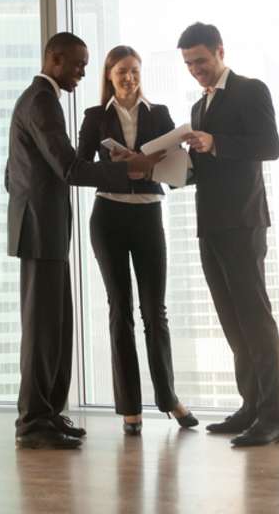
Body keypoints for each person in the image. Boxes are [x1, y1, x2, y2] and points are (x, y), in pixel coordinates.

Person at [6, 32, 164, 450]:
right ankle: (33, 423)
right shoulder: (41, 101)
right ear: (54, 58)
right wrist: (130, 171)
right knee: (42, 331)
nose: (82, 72)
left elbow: (12, 174)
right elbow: (70, 169)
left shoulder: (40, 100)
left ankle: (48, 414)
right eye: (77, 64)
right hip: (40, 231)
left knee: (57, 327)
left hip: (45, 228)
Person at [178, 22, 279, 447]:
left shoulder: (250, 89)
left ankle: (275, 416)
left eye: (201, 61)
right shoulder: (196, 108)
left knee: (255, 318)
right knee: (231, 319)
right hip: (210, 223)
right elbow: (206, 165)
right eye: (189, 64)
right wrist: (178, 166)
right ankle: (251, 406)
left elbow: (270, 145)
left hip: (243, 221)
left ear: (220, 51)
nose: (196, 70)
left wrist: (216, 142)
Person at [76, 45, 197, 435]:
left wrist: (145, 165)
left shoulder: (159, 114)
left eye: (134, 71)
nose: (129, 77)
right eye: (121, 71)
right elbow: (78, 169)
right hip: (108, 217)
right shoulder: (95, 118)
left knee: (154, 311)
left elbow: (180, 166)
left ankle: (169, 399)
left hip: (147, 214)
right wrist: (116, 167)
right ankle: (130, 407)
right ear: (109, 75)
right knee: (120, 311)